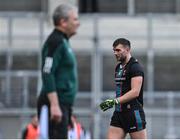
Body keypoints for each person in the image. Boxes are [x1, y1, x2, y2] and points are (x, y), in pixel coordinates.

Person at [37, 3, 80, 139]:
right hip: (55, 105)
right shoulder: (55, 41)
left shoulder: (64, 42)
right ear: (63, 22)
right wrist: (55, 105)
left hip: (63, 105)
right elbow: (47, 72)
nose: (78, 23)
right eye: (75, 19)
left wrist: (69, 112)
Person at [99, 38, 147, 139]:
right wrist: (114, 103)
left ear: (128, 50)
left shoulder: (135, 67)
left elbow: (135, 92)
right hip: (118, 113)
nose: (115, 53)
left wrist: (113, 102)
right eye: (114, 50)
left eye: (118, 50)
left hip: (133, 113)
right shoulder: (118, 67)